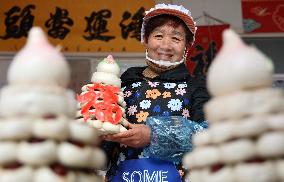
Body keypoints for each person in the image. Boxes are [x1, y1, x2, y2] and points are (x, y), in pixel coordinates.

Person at [101, 3, 210, 182]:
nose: (165, 46)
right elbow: (104, 148)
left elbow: (211, 136)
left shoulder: (197, 86)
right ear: (145, 39)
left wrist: (154, 135)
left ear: (187, 45)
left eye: (176, 39)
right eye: (158, 36)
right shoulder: (124, 83)